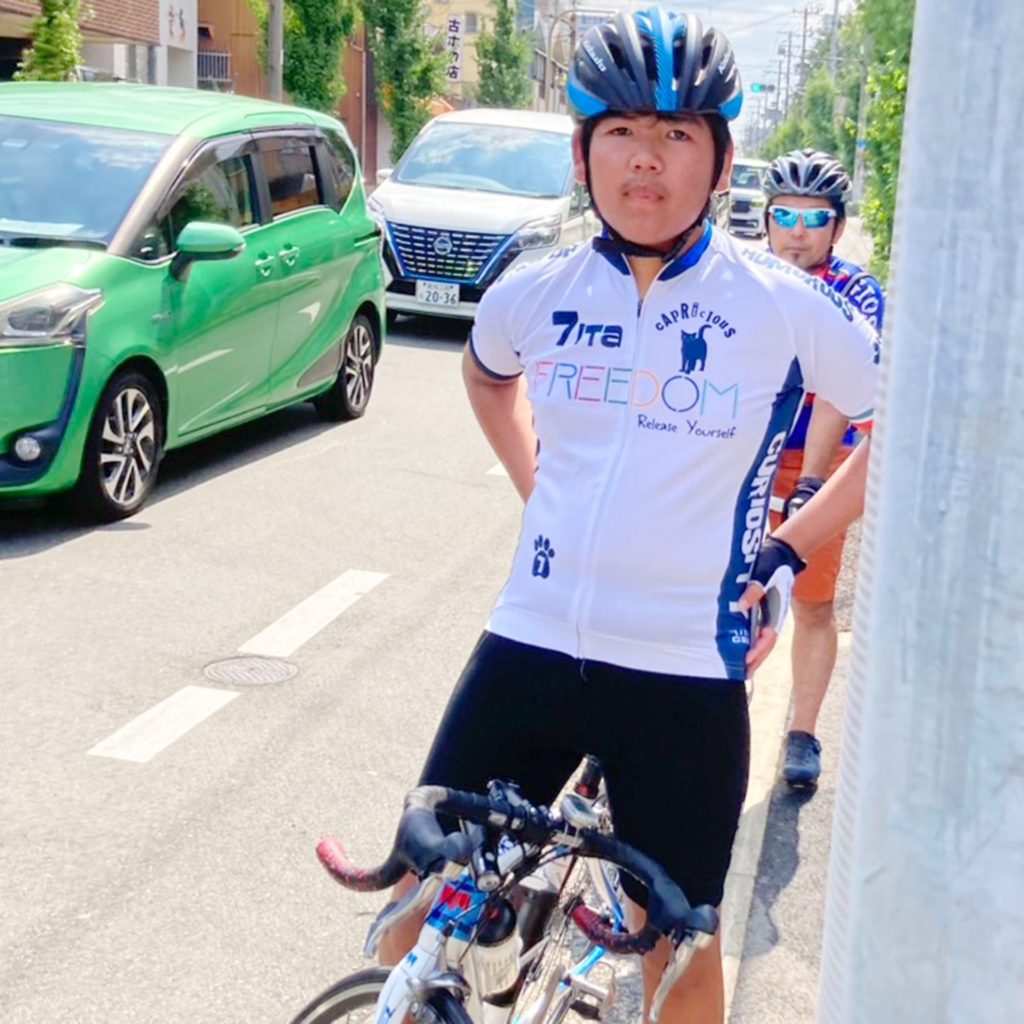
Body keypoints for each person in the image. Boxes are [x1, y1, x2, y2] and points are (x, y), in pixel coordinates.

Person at [380, 9, 879, 1022]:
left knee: (678, 951)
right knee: (413, 906)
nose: (644, 159)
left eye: (676, 133)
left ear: (722, 161)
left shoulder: (781, 304)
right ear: (582, 154)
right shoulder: (535, 291)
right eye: (619, 131)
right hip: (530, 640)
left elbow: (901, 430)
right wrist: (538, 491)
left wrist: (787, 549)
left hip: (683, 669)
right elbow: (487, 378)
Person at [761, 149, 886, 787]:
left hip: (818, 458)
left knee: (810, 603)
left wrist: (810, 486)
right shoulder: (745, 277)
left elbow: (840, 386)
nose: (798, 231)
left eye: (815, 219)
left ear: (837, 227)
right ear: (765, 220)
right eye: (784, 215)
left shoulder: (854, 290)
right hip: (740, 453)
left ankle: (803, 732)